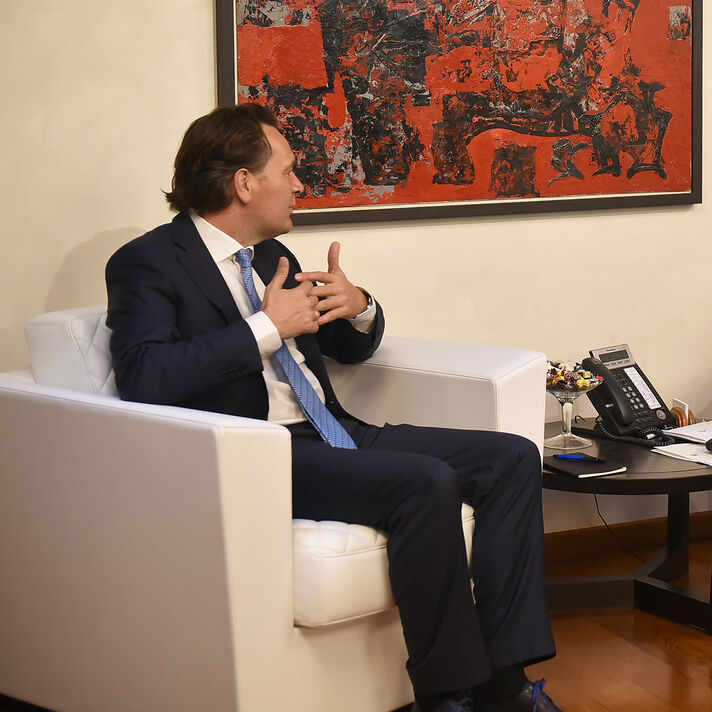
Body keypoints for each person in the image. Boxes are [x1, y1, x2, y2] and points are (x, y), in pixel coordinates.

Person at [105, 103, 562, 712]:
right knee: (425, 481)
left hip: (334, 432)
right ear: (244, 183)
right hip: (261, 453)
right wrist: (265, 327)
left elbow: (347, 347)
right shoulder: (148, 262)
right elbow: (143, 375)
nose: (300, 185)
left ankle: (505, 684)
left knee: (513, 457)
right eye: (288, 171)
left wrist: (360, 305)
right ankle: (448, 695)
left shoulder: (272, 256)